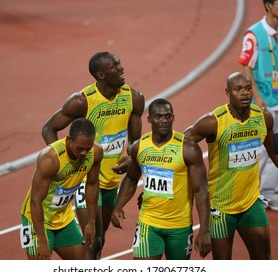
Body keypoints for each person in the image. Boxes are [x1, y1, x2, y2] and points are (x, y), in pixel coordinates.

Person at [183, 72, 278, 259]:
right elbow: (181, 143)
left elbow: (274, 154)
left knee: (263, 262)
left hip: (251, 204)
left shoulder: (263, 118)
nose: (245, 93)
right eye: (238, 89)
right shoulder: (213, 122)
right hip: (221, 208)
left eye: (248, 88)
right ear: (228, 92)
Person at [42, 51, 145, 259]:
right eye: (115, 67)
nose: (121, 68)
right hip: (86, 179)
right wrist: (66, 162)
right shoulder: (82, 101)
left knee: (100, 241)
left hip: (111, 180)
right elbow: (49, 128)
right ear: (100, 76)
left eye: (120, 63)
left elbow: (135, 141)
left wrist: (131, 156)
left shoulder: (134, 98)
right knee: (93, 239)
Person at [111, 98, 211, 260]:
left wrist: (205, 230)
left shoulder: (188, 149)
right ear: (149, 119)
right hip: (148, 223)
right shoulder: (139, 147)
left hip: (179, 227)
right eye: (158, 117)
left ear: (173, 118)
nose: (164, 120)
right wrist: (118, 206)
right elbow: (131, 178)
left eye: (168, 116)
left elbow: (201, 190)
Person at [238, 0, 278, 211]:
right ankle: (250, 196)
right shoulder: (254, 34)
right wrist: (256, 96)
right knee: (259, 149)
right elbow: (246, 65)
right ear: (268, 5)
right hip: (264, 101)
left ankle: (270, 194)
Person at [20, 118, 103, 260]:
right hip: (37, 219)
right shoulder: (50, 159)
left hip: (64, 216)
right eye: (79, 148)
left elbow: (92, 184)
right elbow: (35, 200)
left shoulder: (95, 152)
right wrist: (41, 239)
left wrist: (91, 222)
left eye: (87, 148)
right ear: (69, 139)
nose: (84, 153)